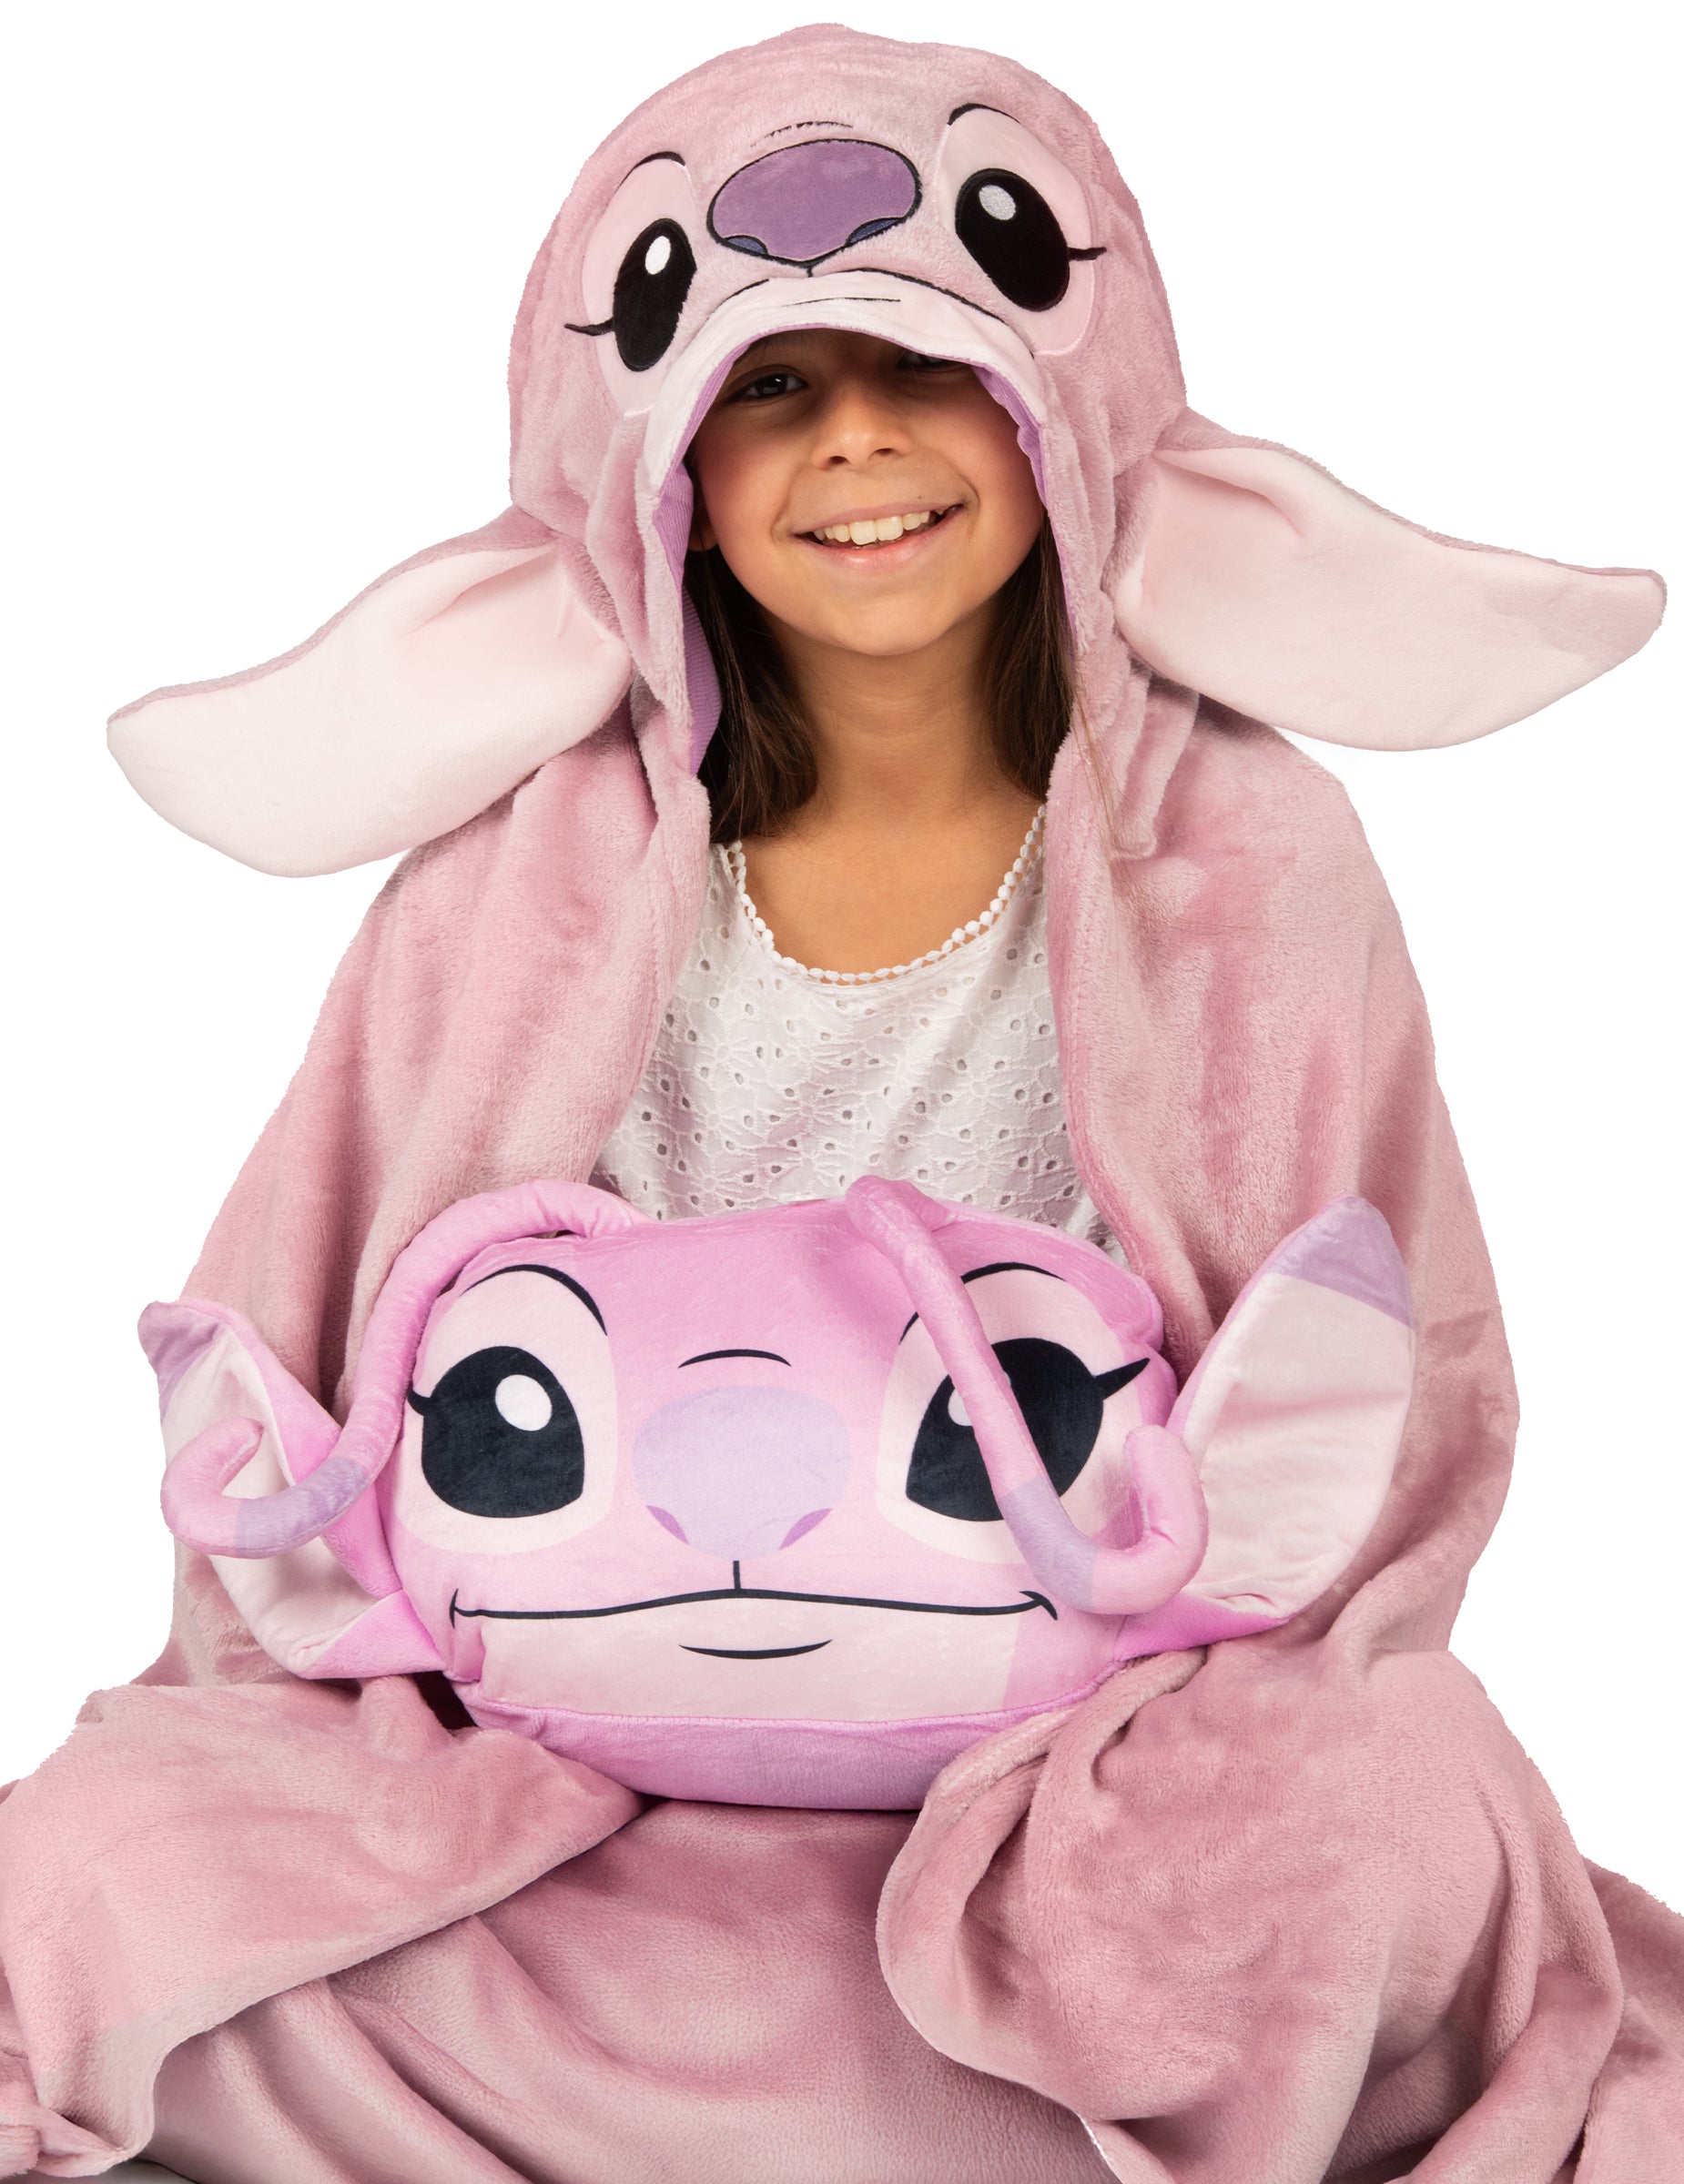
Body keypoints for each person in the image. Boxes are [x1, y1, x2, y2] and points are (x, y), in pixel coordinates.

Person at [4, 25, 1679, 2182]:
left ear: (1065, 407)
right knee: (99, 1857)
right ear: (656, 467)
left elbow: (1377, 1375)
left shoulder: (1250, 858)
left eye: (926, 371)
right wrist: (358, 1680)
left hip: (1063, 1748)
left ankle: (710, 2092)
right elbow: (308, 1321)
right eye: (771, 387)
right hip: (591, 1740)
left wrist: (1216, 1724)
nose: (857, 443)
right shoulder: (512, 880)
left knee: (1404, 1820)